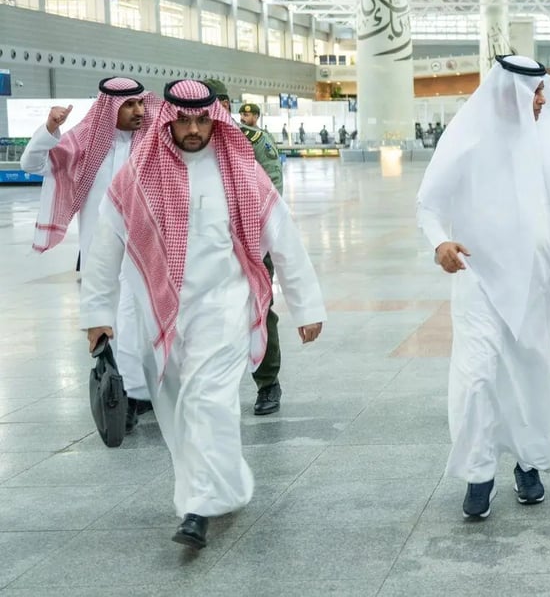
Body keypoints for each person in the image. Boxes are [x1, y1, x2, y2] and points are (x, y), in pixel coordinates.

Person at [79, 79, 325, 549]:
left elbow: (284, 238)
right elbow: (105, 246)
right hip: (163, 312)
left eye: (201, 120)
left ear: (215, 119)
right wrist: (96, 313)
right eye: (184, 121)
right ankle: (218, 486)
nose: (193, 130)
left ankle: (197, 509)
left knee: (205, 400)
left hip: (225, 305)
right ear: (168, 120)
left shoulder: (240, 169)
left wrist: (306, 305)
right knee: (179, 410)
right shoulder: (139, 173)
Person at [416, 55, 550, 521]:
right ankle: (478, 472)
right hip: (480, 281)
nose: (542, 101)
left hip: (538, 285)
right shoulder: (467, 138)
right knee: (477, 377)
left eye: (542, 92)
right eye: (534, 92)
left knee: (532, 376)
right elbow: (429, 204)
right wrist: (439, 243)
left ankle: (528, 464)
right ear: (509, 93)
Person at [21, 77, 159, 425]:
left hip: (145, 253)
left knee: (140, 323)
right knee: (110, 324)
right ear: (109, 108)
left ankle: (142, 394)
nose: (138, 111)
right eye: (129, 105)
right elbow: (32, 164)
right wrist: (49, 129)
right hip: (100, 256)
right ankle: (123, 397)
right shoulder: (85, 144)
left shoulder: (153, 144)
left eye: (140, 103)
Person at [207, 84, 286, 416]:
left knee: (259, 310)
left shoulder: (253, 140)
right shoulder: (189, 142)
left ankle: (267, 383)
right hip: (207, 245)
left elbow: (273, 192)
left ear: (224, 105)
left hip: (251, 242)